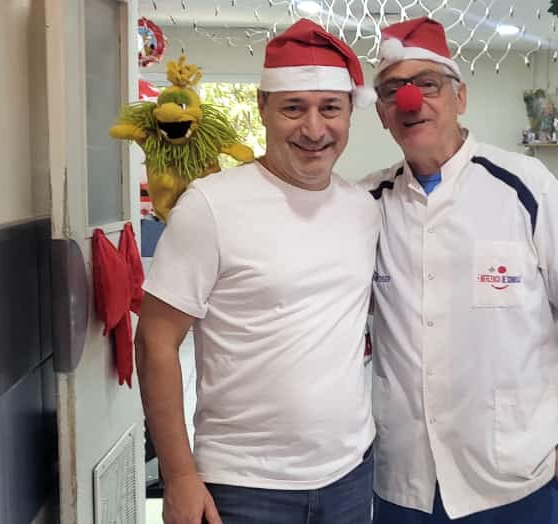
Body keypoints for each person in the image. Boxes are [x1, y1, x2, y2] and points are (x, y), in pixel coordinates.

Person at [364, 17, 558, 524]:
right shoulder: (365, 204)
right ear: (383, 114)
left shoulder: (527, 187)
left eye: (427, 84)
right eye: (393, 91)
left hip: (514, 476)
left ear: (460, 96)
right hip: (404, 480)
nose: (411, 101)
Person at [135, 18, 379, 524]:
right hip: (243, 487)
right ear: (264, 107)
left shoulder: (363, 208)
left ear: (350, 112)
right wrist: (179, 475)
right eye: (294, 108)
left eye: (330, 108)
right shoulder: (211, 206)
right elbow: (155, 340)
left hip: (350, 476)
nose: (314, 129)